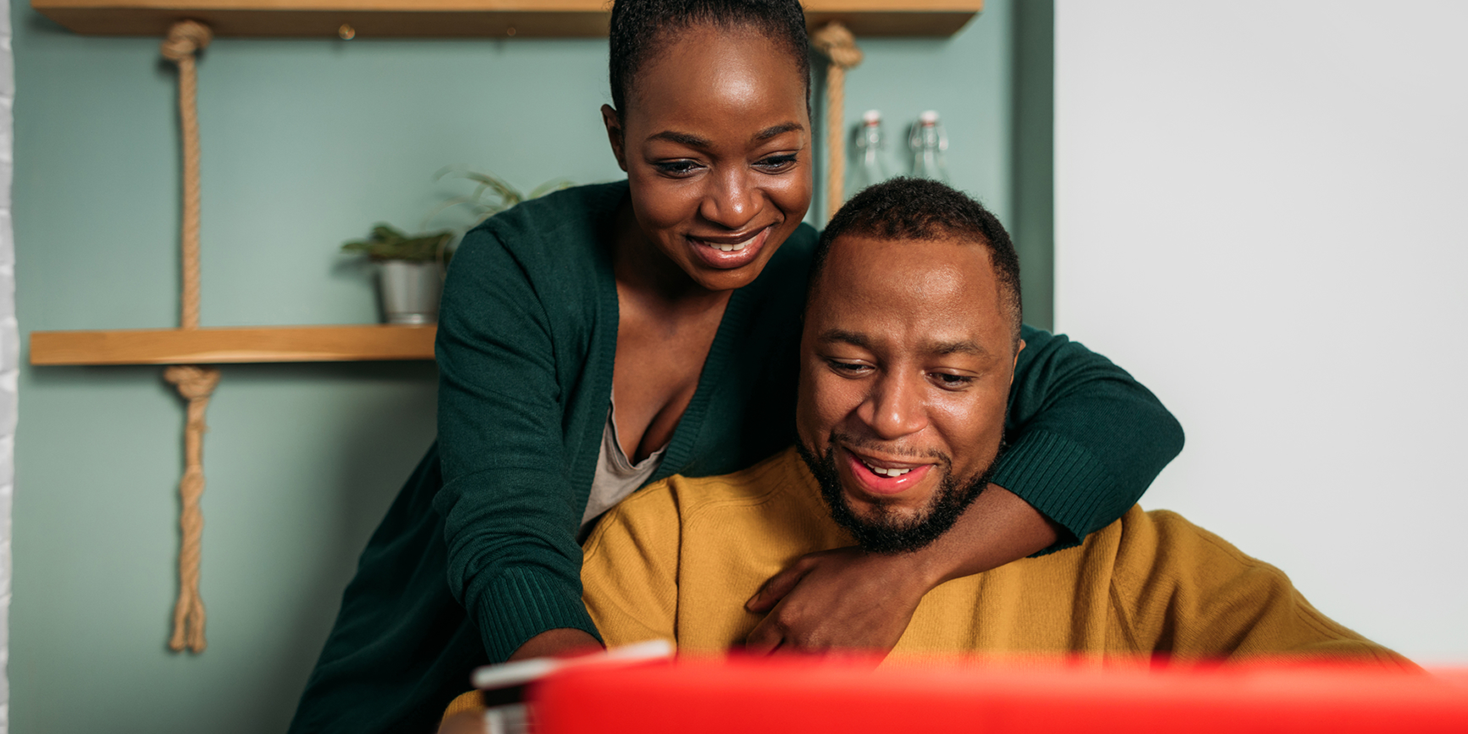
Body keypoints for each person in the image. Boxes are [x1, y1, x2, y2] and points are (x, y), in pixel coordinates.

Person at [289, 2, 1184, 732]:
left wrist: (901, 575)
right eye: (680, 163)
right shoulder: (517, 269)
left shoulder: (829, 295)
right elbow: (509, 534)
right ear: (616, 137)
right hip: (418, 682)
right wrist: (584, 695)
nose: (733, 208)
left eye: (777, 159)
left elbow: (1119, 412)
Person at [567, 178, 1407, 666]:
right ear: (799, 354)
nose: (891, 416)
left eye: (952, 376)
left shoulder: (1133, 567)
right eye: (850, 363)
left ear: (1016, 374)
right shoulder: (662, 551)